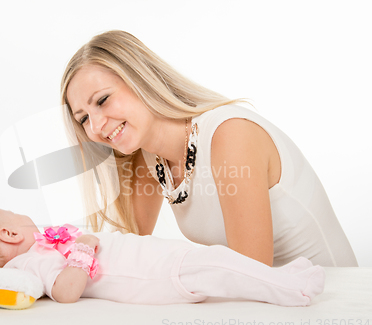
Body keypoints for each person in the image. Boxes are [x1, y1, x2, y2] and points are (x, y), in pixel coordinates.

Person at [60, 30, 358, 267]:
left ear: (140, 80)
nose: (96, 127)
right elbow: (125, 255)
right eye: (83, 119)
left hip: (327, 303)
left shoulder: (230, 135)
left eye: (102, 100)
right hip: (264, 306)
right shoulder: (148, 158)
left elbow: (252, 276)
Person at [0, 207, 325, 306]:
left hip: (154, 257)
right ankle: (291, 291)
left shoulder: (37, 249)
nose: (25, 218)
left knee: (218, 261)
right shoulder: (29, 263)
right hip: (153, 274)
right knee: (216, 265)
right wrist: (83, 249)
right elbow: (66, 292)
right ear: (8, 234)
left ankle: (280, 275)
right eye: (14, 216)